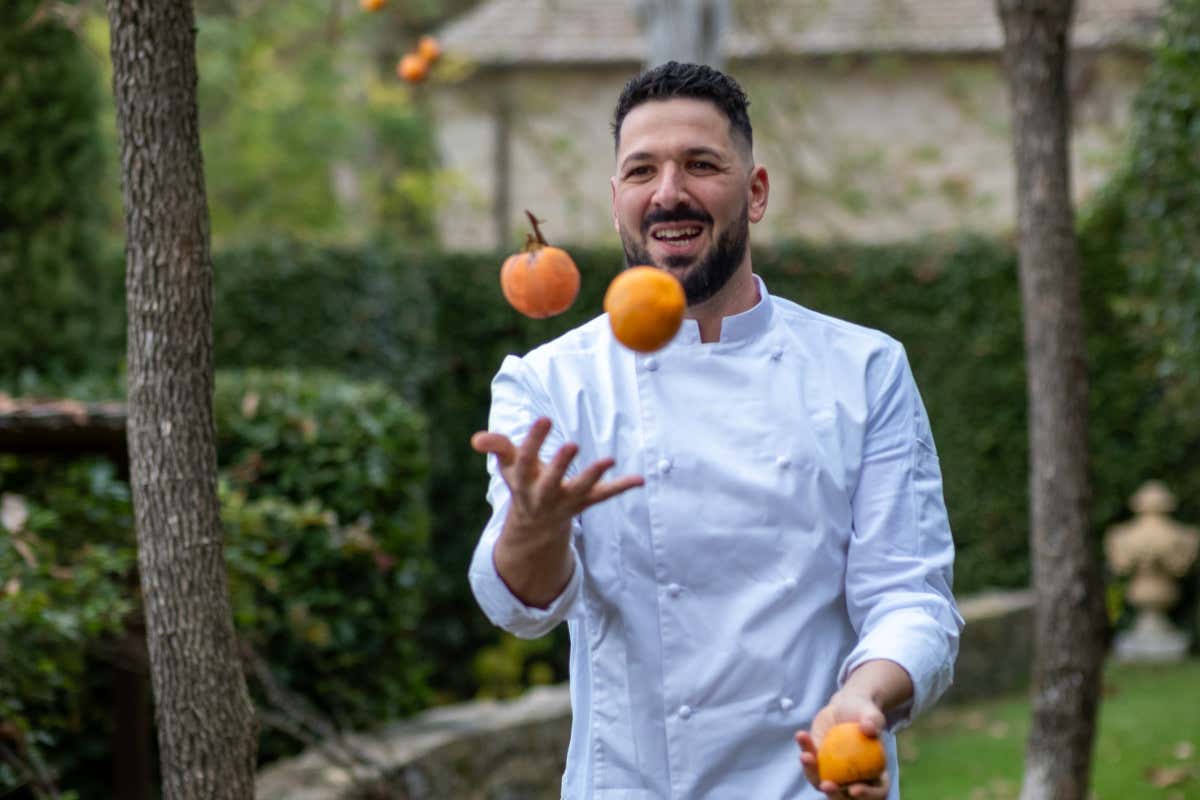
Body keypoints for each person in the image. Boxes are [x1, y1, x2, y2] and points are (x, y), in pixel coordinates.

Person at [468, 60, 963, 799]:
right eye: (642, 171)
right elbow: (522, 608)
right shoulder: (552, 383)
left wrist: (864, 699)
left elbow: (910, 599)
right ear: (616, 200)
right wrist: (535, 527)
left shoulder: (864, 369)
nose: (669, 193)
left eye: (701, 165)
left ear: (755, 192)